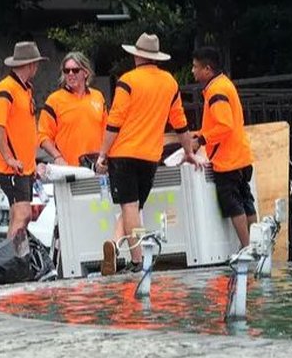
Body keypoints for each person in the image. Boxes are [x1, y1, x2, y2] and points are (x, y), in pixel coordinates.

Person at [96, 32, 203, 276]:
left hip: (123, 152)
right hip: (150, 155)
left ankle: (137, 260)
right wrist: (189, 152)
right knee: (133, 206)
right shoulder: (170, 83)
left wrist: (102, 153)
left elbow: (115, 121)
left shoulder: (128, 80)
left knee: (129, 206)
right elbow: (181, 123)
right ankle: (114, 244)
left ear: (137, 57)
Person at [191, 46, 256, 248]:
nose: (192, 71)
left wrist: (200, 140)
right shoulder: (224, 84)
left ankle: (247, 247)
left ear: (207, 69)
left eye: (195, 67)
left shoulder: (216, 91)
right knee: (246, 201)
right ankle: (257, 247)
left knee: (233, 203)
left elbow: (224, 125)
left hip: (227, 160)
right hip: (241, 155)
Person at [0, 41, 48, 239]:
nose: (37, 68)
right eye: (36, 64)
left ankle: (14, 260)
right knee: (22, 214)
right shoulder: (7, 88)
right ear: (30, 65)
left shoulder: (24, 89)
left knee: (20, 215)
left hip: (23, 167)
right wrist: (9, 158)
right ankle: (11, 261)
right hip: (13, 167)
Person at [38, 51, 107, 166]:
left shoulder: (98, 97)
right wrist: (57, 157)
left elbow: (107, 132)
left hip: (96, 167)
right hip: (68, 169)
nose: (70, 74)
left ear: (86, 73)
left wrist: (104, 157)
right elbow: (43, 135)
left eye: (75, 70)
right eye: (66, 71)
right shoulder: (54, 100)